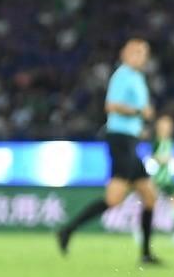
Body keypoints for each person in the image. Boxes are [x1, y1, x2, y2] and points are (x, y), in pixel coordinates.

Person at [56, 38, 162, 265]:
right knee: (114, 199)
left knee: (149, 196)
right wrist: (139, 112)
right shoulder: (122, 76)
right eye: (136, 52)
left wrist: (140, 126)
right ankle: (67, 230)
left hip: (130, 140)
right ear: (125, 54)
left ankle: (145, 254)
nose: (141, 57)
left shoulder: (137, 77)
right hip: (120, 140)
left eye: (144, 53)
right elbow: (111, 106)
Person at [151, 115, 174, 243]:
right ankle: (144, 230)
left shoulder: (170, 141)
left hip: (168, 179)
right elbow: (155, 157)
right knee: (150, 204)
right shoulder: (157, 141)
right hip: (158, 179)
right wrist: (164, 159)